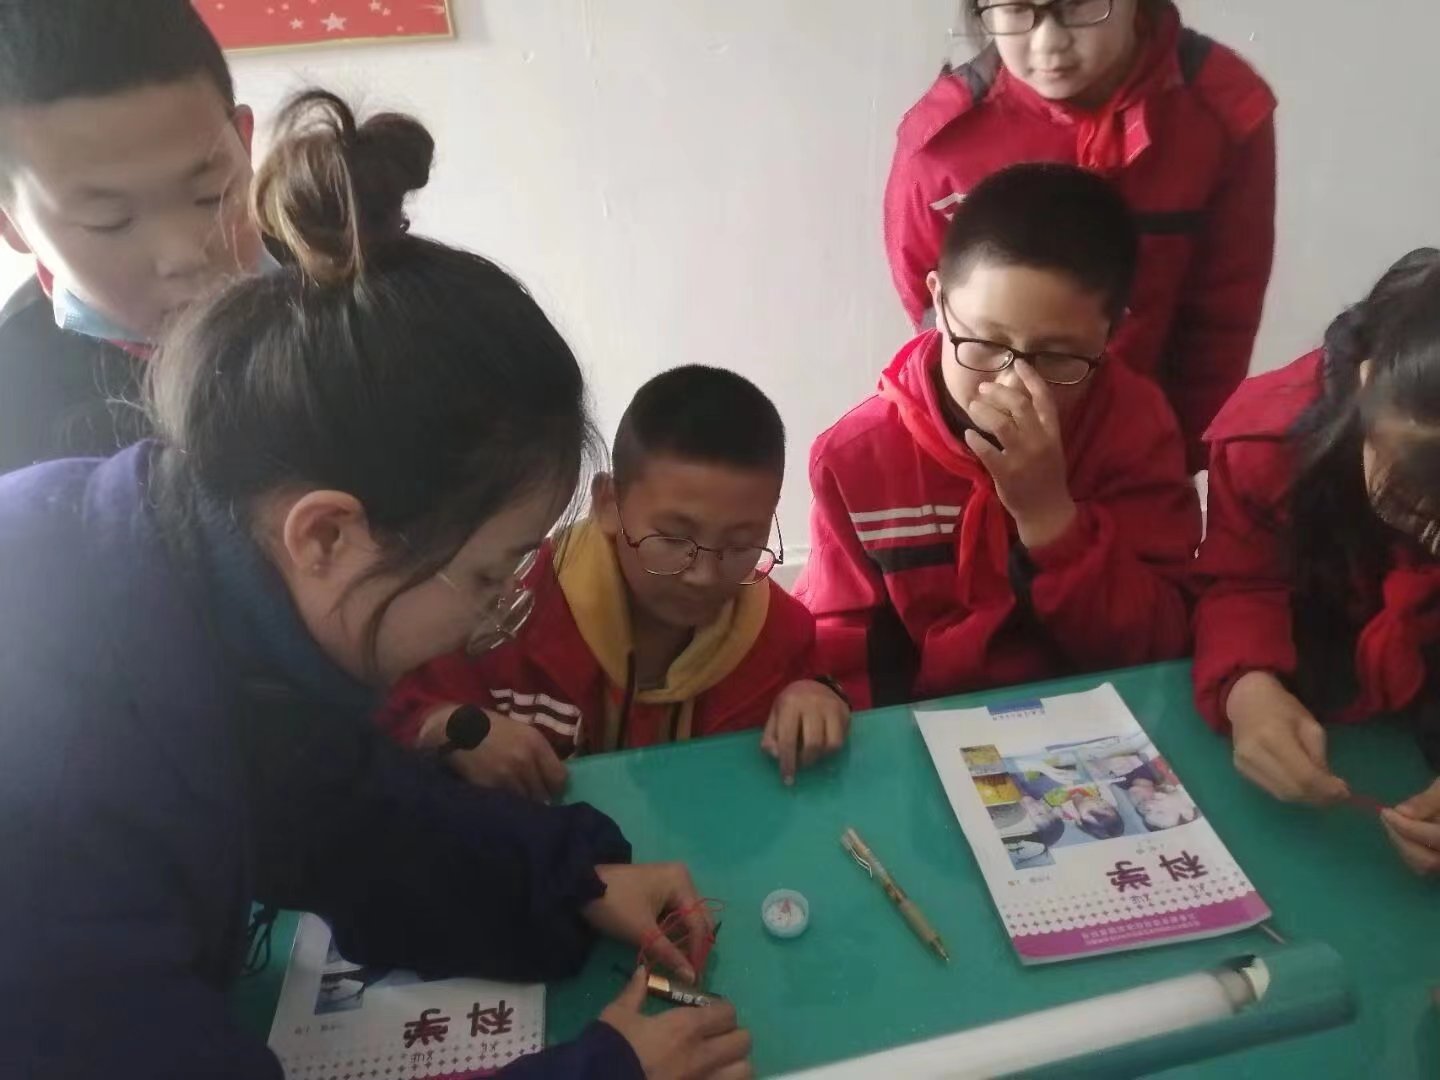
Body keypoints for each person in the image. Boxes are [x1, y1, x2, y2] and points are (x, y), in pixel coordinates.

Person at [0, 91, 753, 1079]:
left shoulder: (196, 556)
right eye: (487, 574)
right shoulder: (58, 770)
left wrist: (568, 881)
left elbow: (328, 806)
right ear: (328, 533)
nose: (494, 615)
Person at [797, 162, 1199, 709]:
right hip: (923, 727)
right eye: (985, 344)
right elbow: (841, 645)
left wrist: (1051, 521)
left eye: (1057, 357)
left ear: (1111, 334)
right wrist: (822, 693)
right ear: (938, 301)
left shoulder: (1136, 430)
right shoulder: (856, 458)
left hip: (1091, 715)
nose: (1013, 383)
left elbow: (1159, 644)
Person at [384, 365, 851, 792]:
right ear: (608, 503)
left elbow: (813, 678)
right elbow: (394, 707)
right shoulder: (502, 608)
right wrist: (444, 726)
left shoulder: (775, 631)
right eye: (672, 539)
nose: (704, 575)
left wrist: (815, 695)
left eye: (741, 545)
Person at [884, 0, 1276, 470]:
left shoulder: (1219, 115)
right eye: (1016, 8)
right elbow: (933, 315)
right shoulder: (943, 140)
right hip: (987, 440)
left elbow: (1223, 316)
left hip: (1140, 451)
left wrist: (1179, 460)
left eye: (1078, 5)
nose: (1049, 43)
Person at [1192, 248, 1440, 879]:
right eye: (1412, 503)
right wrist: (1248, 688)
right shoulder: (1270, 445)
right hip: (1321, 672)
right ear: (1366, 389)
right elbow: (1241, 581)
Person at [0, 0, 270, 474]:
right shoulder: (17, 398)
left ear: (244, 143)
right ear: (11, 223)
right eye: (109, 221)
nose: (184, 255)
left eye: (212, 194)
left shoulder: (348, 274)